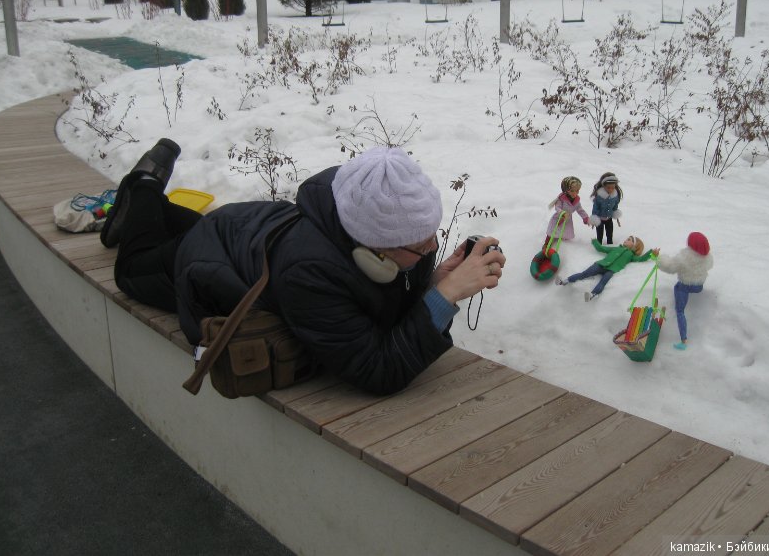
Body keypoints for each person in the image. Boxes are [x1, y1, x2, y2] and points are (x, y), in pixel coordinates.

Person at [101, 140, 506, 395]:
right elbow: (375, 370)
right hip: (210, 254)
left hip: (248, 227)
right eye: (419, 245)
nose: (432, 247)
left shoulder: (381, 233)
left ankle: (158, 207)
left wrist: (434, 284)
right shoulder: (307, 273)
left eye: (432, 235)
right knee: (131, 269)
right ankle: (144, 185)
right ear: (373, 245)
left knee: (178, 226)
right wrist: (444, 297)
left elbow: (378, 312)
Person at [656, 232, 713, 350]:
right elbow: (709, 265)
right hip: (699, 286)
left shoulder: (684, 258)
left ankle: (683, 340)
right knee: (681, 287)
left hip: (685, 286)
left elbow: (669, 267)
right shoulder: (707, 257)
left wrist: (659, 258)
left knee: (680, 311)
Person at [558, 235, 658, 301]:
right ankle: (566, 280)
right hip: (601, 264)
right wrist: (595, 242)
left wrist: (652, 253)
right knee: (584, 274)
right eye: (626, 239)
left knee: (603, 282)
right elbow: (602, 248)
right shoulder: (616, 248)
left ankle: (593, 294)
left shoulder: (631, 255)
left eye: (629, 240)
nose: (625, 240)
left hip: (611, 270)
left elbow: (641, 259)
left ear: (635, 245)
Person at [544, 176, 589, 245]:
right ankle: (546, 244)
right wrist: (563, 213)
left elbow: (580, 210)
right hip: (558, 218)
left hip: (567, 219)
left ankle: (563, 244)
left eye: (577, 191)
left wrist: (586, 218)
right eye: (572, 191)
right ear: (566, 190)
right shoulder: (561, 199)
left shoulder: (576, 201)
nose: (575, 193)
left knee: (565, 232)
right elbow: (557, 207)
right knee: (553, 231)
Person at [588, 172, 622, 245]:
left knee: (609, 232)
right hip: (600, 218)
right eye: (608, 187)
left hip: (609, 218)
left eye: (613, 187)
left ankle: (610, 243)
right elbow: (595, 207)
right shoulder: (599, 197)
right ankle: (599, 243)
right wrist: (594, 216)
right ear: (603, 186)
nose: (610, 189)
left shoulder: (615, 196)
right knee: (599, 233)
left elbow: (615, 205)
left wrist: (615, 211)